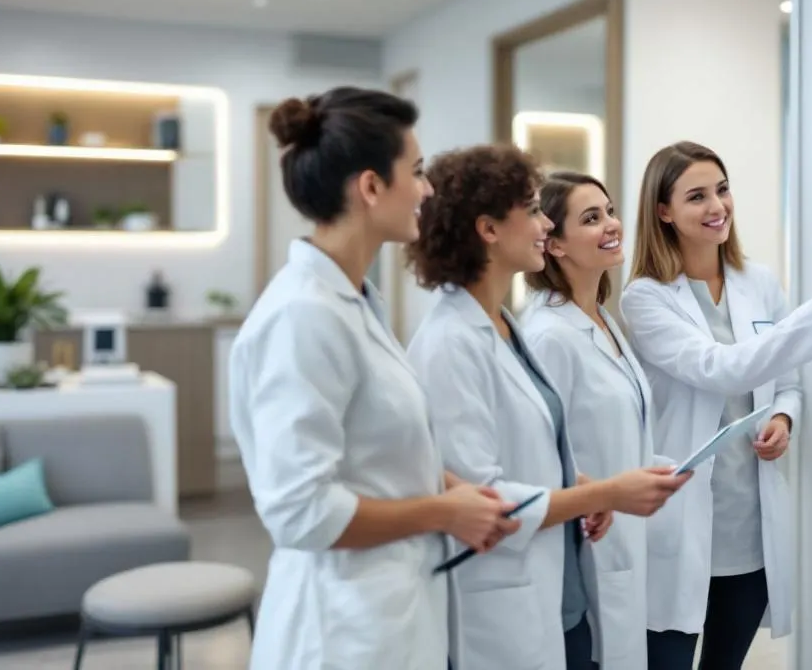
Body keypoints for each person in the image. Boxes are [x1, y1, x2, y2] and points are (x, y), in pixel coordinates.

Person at [228, 88, 519, 670]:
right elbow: (302, 511)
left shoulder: (356, 300)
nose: (427, 189)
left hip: (389, 613)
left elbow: (377, 447)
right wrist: (444, 511)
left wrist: (455, 488)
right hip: (337, 631)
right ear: (369, 187)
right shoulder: (303, 315)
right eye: (415, 171)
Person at [405, 144, 693, 670]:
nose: (544, 225)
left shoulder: (502, 325)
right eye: (533, 210)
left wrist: (582, 486)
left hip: (554, 583)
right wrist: (606, 491)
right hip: (497, 600)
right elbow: (479, 496)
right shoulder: (450, 342)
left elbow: (534, 446)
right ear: (489, 229)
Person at [620, 140, 812, 670]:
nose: (717, 206)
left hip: (748, 526)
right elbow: (724, 368)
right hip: (680, 526)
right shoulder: (646, 298)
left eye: (721, 190)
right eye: (696, 196)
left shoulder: (759, 282)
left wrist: (784, 416)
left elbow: (785, 378)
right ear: (664, 211)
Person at [519, 171, 669, 669]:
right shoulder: (548, 336)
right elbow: (542, 456)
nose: (611, 225)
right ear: (554, 243)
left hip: (624, 539)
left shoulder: (602, 319)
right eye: (591, 218)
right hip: (587, 548)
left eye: (608, 211)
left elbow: (616, 430)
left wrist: (660, 468)